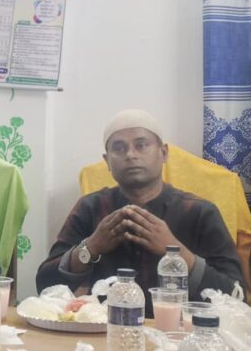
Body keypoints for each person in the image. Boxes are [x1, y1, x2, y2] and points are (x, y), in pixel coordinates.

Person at [36, 109, 245, 315]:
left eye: (141, 145)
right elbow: (45, 286)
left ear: (164, 153)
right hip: (104, 329)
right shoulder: (91, 208)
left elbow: (236, 297)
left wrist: (178, 254)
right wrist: (90, 247)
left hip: (180, 332)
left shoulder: (199, 212)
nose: (130, 155)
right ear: (107, 161)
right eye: (119, 148)